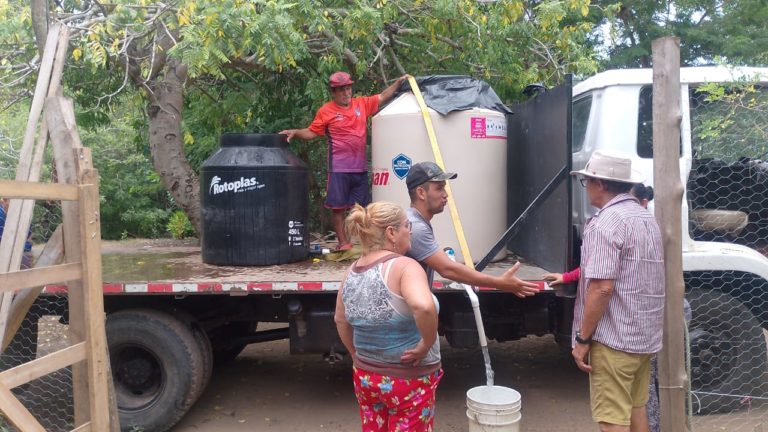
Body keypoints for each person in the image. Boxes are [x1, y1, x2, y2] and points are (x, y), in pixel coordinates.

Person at [569, 151, 665, 432]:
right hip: (644, 336)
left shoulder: (606, 222)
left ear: (600, 183)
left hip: (615, 340)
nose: (587, 188)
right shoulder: (645, 217)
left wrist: (583, 339)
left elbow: (601, 287)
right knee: (636, 409)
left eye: (587, 182)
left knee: (612, 419)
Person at [334, 201, 442, 431]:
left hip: (366, 376)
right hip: (407, 379)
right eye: (406, 225)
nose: (410, 231)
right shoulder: (405, 267)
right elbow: (423, 307)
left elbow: (340, 320)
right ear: (392, 233)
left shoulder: (352, 270)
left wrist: (355, 355)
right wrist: (427, 344)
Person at [280, 72, 409, 251]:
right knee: (338, 208)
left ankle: (365, 243)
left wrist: (398, 82)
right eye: (342, 90)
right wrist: (295, 132)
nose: (346, 93)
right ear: (334, 92)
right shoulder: (326, 111)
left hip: (360, 168)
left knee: (362, 209)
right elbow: (311, 132)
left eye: (348, 88)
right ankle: (343, 243)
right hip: (338, 168)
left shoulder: (361, 104)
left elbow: (381, 97)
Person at [404, 161, 540, 296]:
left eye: (444, 188)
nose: (446, 194)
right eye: (439, 188)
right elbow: (448, 269)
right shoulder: (416, 227)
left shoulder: (414, 221)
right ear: (421, 193)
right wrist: (500, 282)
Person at [0, 198, 34, 269]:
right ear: (3, 202)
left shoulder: (24, 214)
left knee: (26, 258)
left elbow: (28, 238)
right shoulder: (1, 215)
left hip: (17, 251)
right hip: (4, 252)